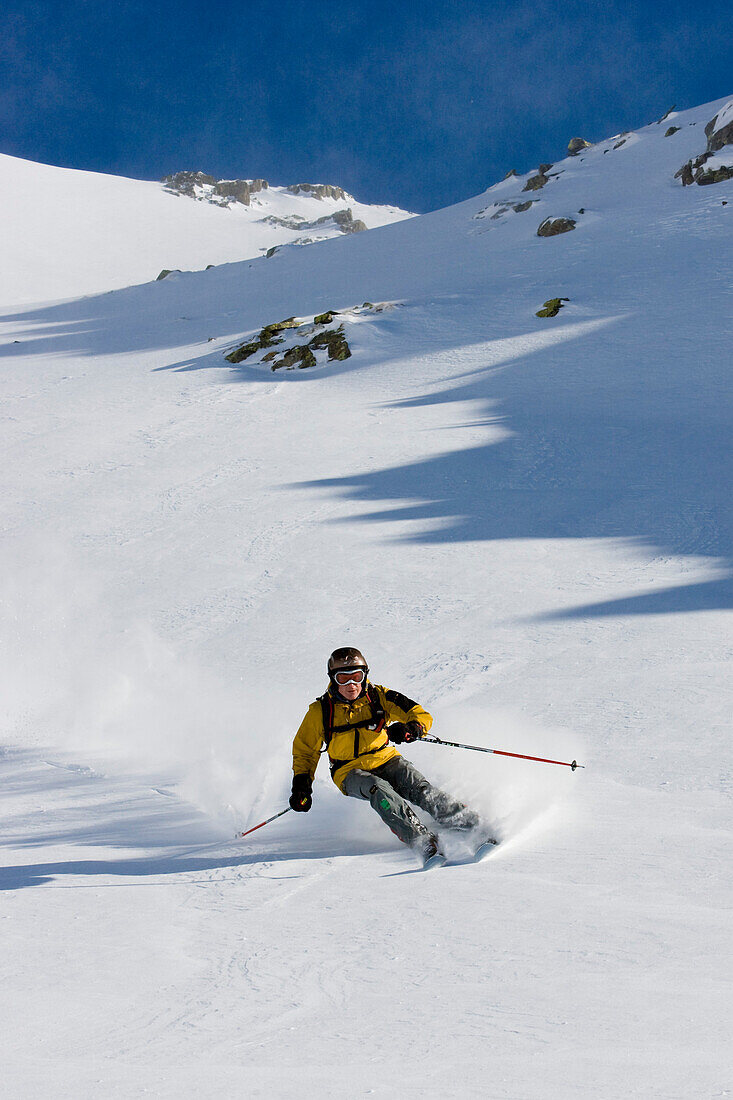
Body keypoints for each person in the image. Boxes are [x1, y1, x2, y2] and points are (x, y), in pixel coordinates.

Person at [289, 646, 483, 866]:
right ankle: (423, 842)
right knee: (379, 790)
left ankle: (471, 825)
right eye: (343, 678)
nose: (351, 685)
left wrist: (411, 728)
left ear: (365, 675)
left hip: (386, 758)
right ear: (333, 680)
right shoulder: (320, 711)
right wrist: (302, 786)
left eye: (356, 677)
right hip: (348, 771)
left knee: (419, 787)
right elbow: (304, 750)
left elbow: (419, 713)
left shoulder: (379, 696)